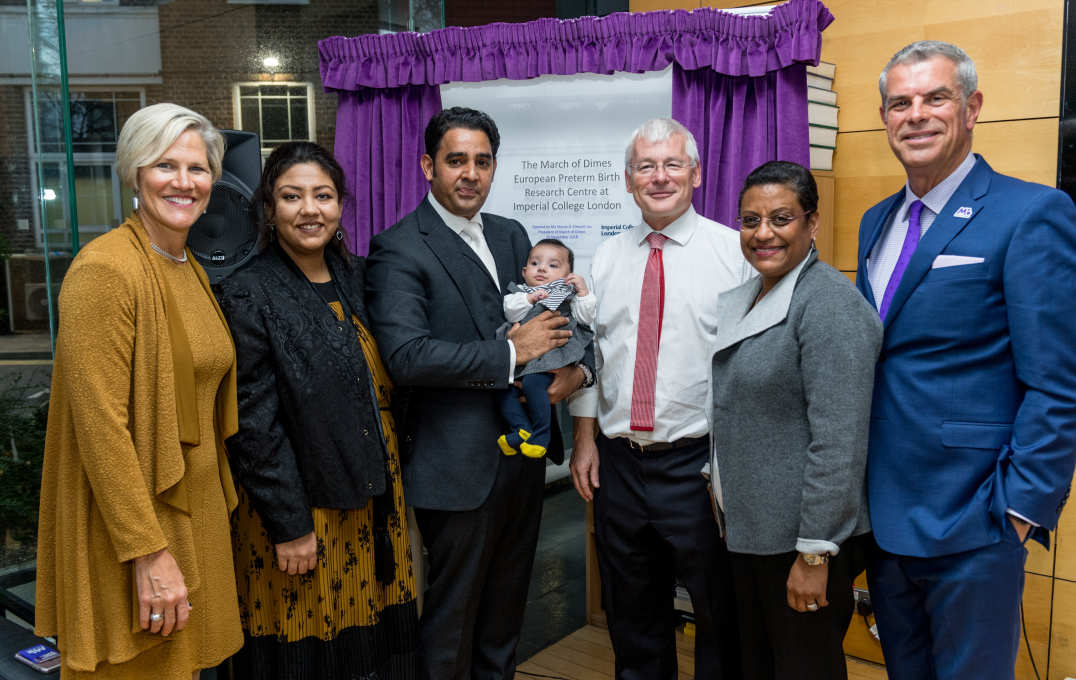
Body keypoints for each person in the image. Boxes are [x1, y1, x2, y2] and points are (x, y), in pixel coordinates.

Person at [858, 40, 1076, 680]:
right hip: (884, 514)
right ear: (885, 117)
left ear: (973, 106)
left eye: (935, 98)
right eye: (900, 102)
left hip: (976, 517)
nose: (916, 114)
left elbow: (1058, 382)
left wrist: (1019, 510)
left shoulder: (1031, 212)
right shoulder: (877, 221)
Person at [365, 106, 591, 680]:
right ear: (428, 166)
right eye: (456, 160)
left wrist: (577, 372)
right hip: (454, 468)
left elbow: (549, 324)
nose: (470, 173)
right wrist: (514, 354)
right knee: (452, 624)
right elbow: (406, 357)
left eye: (482, 161)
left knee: (506, 616)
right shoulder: (399, 248)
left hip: (519, 463)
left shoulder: (511, 234)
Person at [35, 103, 242, 679]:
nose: (183, 182)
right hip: (135, 529)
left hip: (191, 512)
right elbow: (100, 428)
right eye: (164, 165)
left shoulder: (185, 264)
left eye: (197, 169)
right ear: (134, 172)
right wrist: (147, 553)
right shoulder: (104, 271)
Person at [214, 141, 419, 679]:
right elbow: (253, 425)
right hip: (305, 507)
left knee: (370, 653)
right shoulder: (247, 292)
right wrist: (290, 525)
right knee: (309, 651)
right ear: (269, 208)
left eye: (323, 195)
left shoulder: (360, 276)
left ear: (341, 204)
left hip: (374, 492)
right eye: (292, 196)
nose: (310, 210)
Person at [569, 117, 750, 679]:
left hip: (699, 466)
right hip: (619, 463)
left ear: (696, 173)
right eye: (646, 166)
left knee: (721, 613)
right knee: (633, 614)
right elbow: (592, 356)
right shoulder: (606, 257)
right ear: (628, 180)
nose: (660, 176)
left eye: (673, 164)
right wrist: (583, 439)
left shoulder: (735, 253)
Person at [710, 161, 882, 680]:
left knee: (805, 670)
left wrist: (815, 554)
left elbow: (840, 440)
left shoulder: (828, 304)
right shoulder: (748, 296)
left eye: (781, 219)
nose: (763, 233)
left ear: (812, 224)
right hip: (753, 531)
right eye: (749, 220)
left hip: (802, 543)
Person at [497, 238, 596, 458]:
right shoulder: (519, 293)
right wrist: (530, 299)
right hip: (519, 358)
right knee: (504, 391)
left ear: (567, 274)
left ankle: (541, 436)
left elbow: (586, 317)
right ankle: (520, 430)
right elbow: (511, 311)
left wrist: (582, 293)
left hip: (550, 358)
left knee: (534, 384)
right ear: (524, 271)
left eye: (553, 265)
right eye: (535, 263)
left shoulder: (567, 296)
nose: (542, 268)